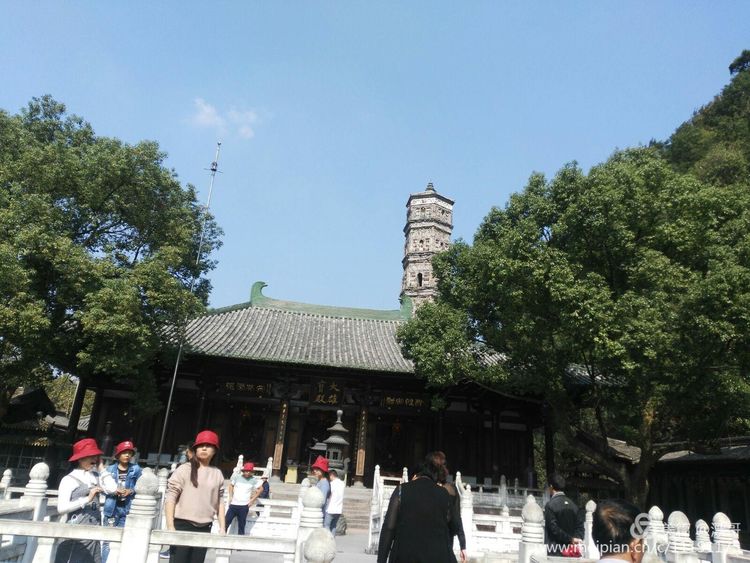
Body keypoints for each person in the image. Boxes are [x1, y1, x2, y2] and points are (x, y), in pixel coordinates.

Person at [377, 455, 463, 563]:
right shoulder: (444, 494)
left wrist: (381, 560)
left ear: (414, 475)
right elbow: (454, 525)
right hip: (437, 555)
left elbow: (389, 527)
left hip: (405, 555)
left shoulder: (401, 490)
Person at [165, 430, 226, 563]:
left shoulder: (217, 474)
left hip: (205, 527)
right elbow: (171, 498)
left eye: (208, 446)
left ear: (215, 451)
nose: (204, 448)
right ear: (195, 449)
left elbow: (220, 503)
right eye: (200, 445)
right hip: (182, 525)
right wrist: (170, 526)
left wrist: (222, 528)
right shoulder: (184, 469)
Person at [55, 438, 117, 563]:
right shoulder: (69, 479)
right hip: (75, 534)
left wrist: (102, 469)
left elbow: (113, 489)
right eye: (90, 457)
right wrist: (87, 499)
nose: (94, 460)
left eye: (95, 456)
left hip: (93, 534)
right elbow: (61, 508)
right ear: (80, 458)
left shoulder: (95, 477)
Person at [102, 440, 143, 562]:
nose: (127, 455)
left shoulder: (136, 469)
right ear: (118, 455)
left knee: (123, 539)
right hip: (111, 509)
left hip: (127, 509)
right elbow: (102, 488)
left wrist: (131, 491)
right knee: (108, 540)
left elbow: (141, 487)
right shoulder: (109, 469)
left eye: (130, 453)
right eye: (124, 452)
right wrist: (114, 491)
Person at [427, 451, 467, 562]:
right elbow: (457, 519)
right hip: (446, 541)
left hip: (428, 542)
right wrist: (463, 546)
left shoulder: (427, 489)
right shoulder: (452, 490)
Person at [544, 473, 584, 556]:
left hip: (555, 551)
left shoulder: (550, 506)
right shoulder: (574, 505)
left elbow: (554, 529)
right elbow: (580, 527)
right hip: (571, 552)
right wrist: (575, 540)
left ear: (551, 487)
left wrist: (570, 539)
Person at [224, 462, 257, 535]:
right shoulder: (237, 477)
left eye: (249, 471)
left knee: (242, 525)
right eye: (246, 471)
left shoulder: (253, 480)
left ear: (251, 472)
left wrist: (252, 500)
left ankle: (240, 540)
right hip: (233, 504)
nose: (248, 473)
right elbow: (231, 486)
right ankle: (222, 537)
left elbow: (261, 489)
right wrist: (231, 496)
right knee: (226, 522)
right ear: (243, 471)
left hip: (244, 506)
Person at [309, 455, 330, 520]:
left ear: (323, 471)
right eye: (314, 469)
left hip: (320, 513)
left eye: (317, 469)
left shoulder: (324, 483)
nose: (314, 471)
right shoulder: (319, 481)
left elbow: (322, 501)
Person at [325, 469, 345, 535]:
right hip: (338, 508)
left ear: (331, 475)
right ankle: (332, 539)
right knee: (333, 526)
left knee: (326, 525)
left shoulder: (332, 484)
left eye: (329, 476)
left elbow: (329, 494)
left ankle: (327, 539)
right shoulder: (342, 483)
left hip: (331, 508)